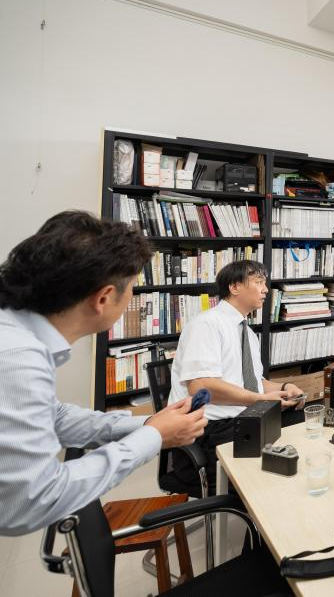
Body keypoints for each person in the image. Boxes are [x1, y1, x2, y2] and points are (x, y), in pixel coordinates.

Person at [0, 211, 207, 536]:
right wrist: (153, 437)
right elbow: (29, 502)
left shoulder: (20, 338)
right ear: (104, 298)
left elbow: (54, 417)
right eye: (133, 288)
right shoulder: (16, 358)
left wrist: (151, 424)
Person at [168, 260, 306, 492]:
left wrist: (285, 387)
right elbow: (201, 387)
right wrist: (260, 400)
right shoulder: (206, 325)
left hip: (242, 420)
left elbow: (255, 382)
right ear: (234, 287)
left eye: (265, 283)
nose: (265, 290)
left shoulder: (247, 333)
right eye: (258, 282)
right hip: (208, 429)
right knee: (278, 469)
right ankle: (264, 508)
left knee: (299, 420)